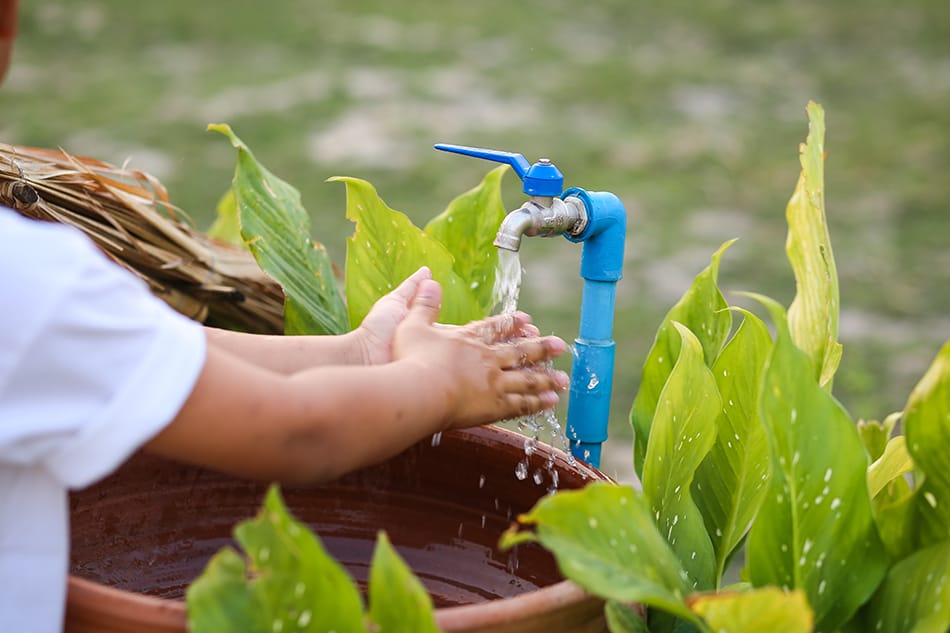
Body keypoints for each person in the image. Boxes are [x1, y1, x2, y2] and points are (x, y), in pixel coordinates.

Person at [0, 3, 569, 630]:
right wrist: (436, 385)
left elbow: (165, 355)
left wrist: (359, 354)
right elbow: (296, 432)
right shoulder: (26, 282)